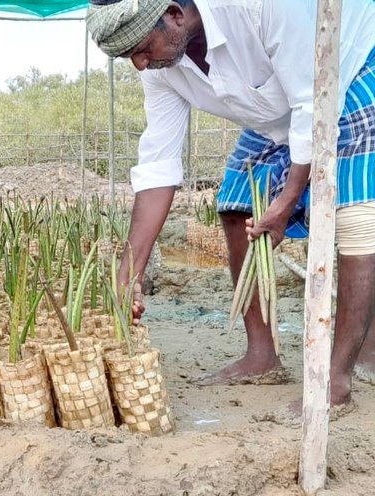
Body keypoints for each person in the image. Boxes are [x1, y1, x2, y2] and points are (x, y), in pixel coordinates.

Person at [87, 0, 375, 412]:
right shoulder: (161, 67)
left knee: (354, 218)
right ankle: (261, 355)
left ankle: (337, 380)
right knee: (237, 205)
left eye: (142, 48)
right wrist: (127, 271)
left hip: (348, 70)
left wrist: (288, 198)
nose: (139, 63)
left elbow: (311, 101)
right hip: (277, 112)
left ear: (174, 13)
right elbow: (157, 165)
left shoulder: (259, 7)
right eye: (129, 56)